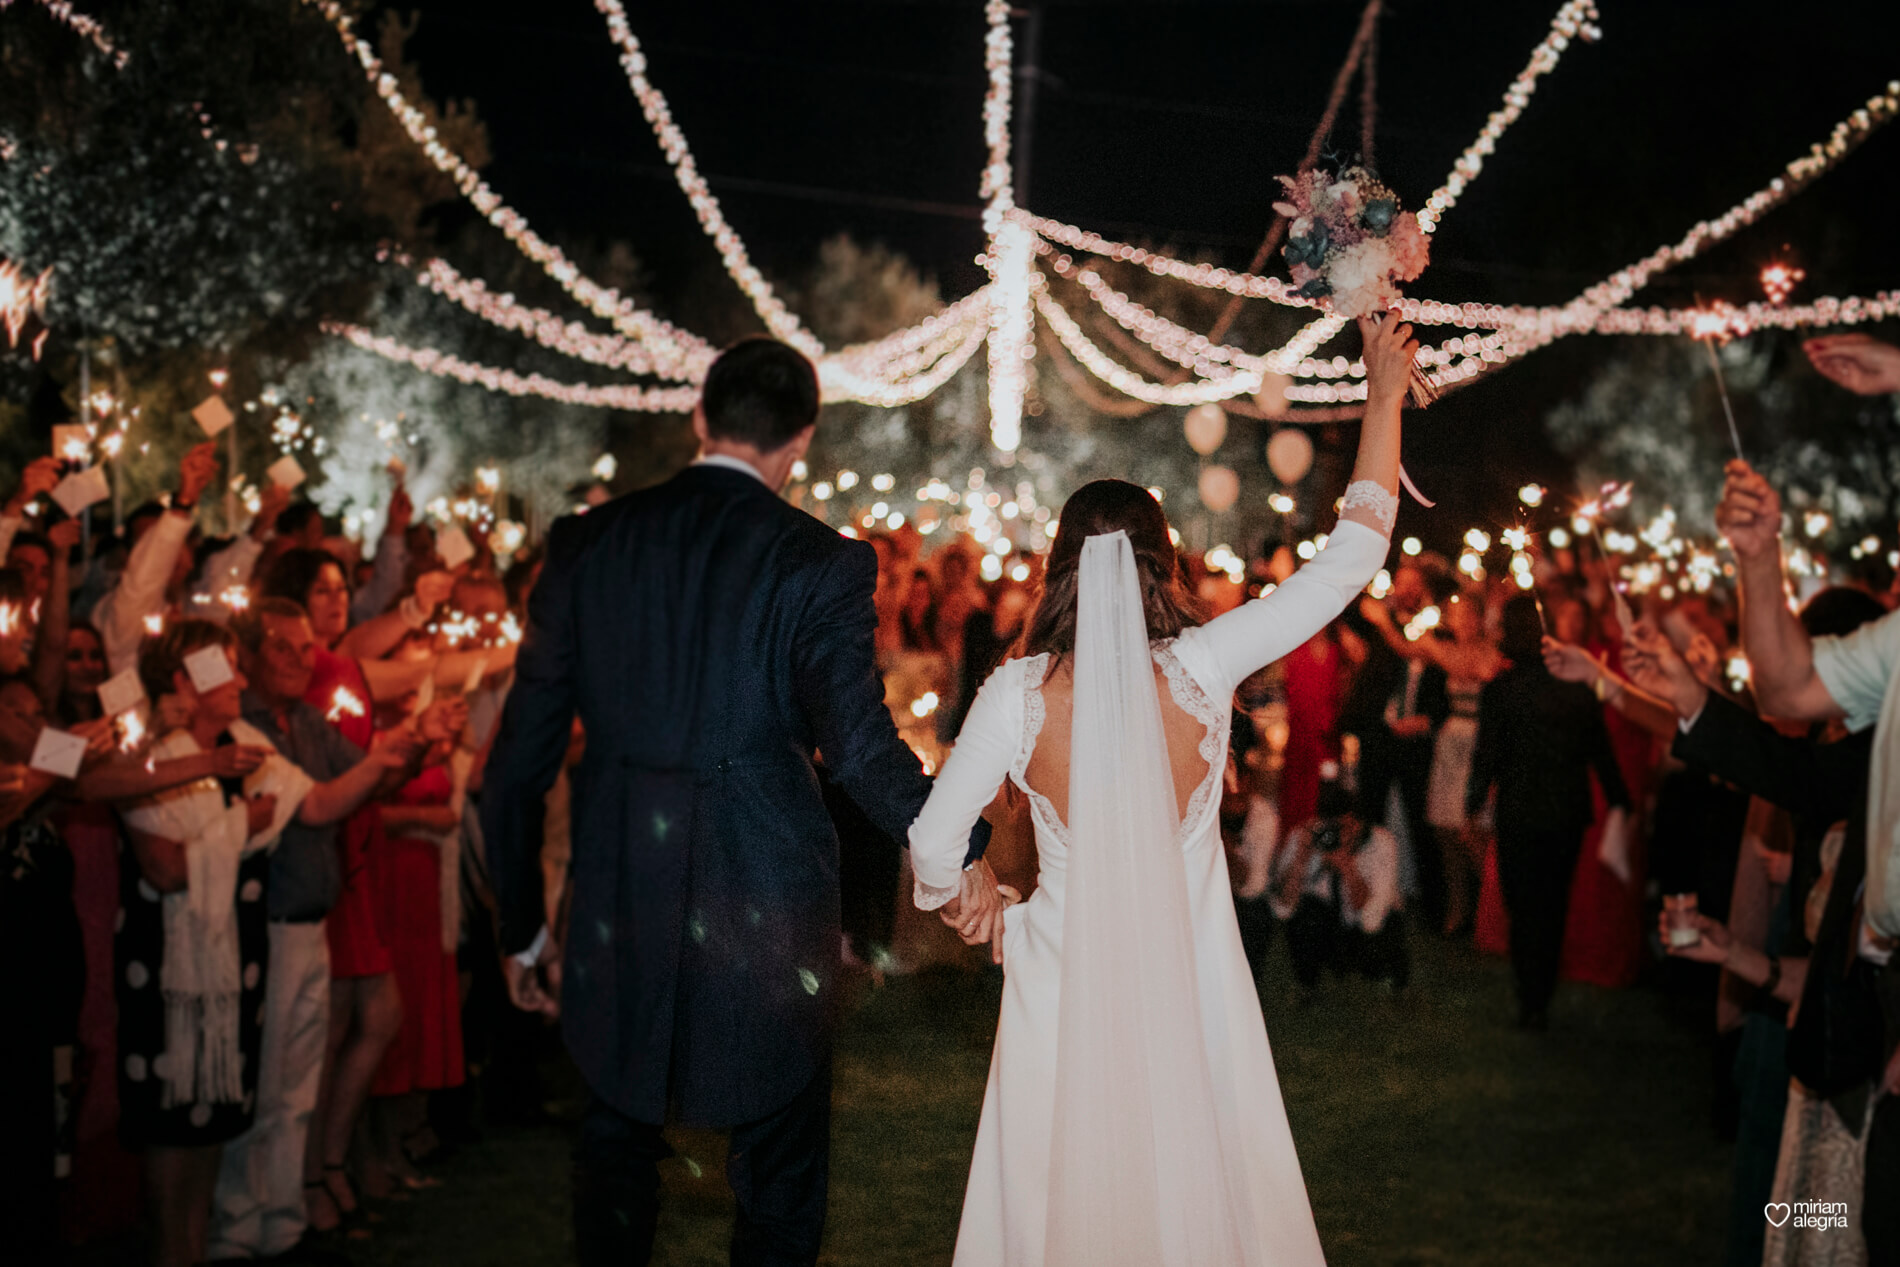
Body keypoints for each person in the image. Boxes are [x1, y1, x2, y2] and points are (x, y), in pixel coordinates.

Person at [905, 309, 1409, 1266]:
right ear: (1161, 561)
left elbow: (932, 845)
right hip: (1197, 993)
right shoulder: (1205, 667)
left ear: (1062, 566)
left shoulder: (1017, 694)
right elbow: (1352, 558)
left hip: (1055, 990)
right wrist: (1382, 396)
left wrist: (974, 900)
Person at [481, 335, 997, 1267]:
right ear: (801, 439)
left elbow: (516, 764)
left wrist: (521, 926)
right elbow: (860, 751)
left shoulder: (589, 542)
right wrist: (962, 847)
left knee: (613, 1177)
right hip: (770, 903)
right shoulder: (820, 561)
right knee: (779, 1184)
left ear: (698, 417)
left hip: (615, 899)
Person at [204, 599, 421, 1260]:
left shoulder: (303, 718)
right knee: (265, 1084)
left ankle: (283, 1221)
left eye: (306, 649)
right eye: (283, 648)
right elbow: (326, 800)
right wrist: (388, 755)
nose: (302, 661)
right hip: (261, 927)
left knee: (296, 1086)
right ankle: (238, 1229)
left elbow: (364, 779)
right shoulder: (239, 731)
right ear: (247, 658)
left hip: (310, 923)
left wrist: (409, 746)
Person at [1468, 595, 1631, 1031]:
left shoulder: (1501, 690)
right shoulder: (1575, 688)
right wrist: (1619, 799)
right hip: (1565, 812)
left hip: (1520, 810)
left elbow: (1486, 755)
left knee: (1523, 906)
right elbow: (1599, 747)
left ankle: (1530, 996)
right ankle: (1540, 996)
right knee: (1553, 904)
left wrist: (1471, 804)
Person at [1270, 766, 1408, 997]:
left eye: (1345, 826)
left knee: (1385, 925)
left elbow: (1371, 914)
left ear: (1360, 823)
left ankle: (1390, 978)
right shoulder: (1305, 835)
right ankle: (1308, 984)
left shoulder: (1381, 843)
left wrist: (1348, 867)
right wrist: (1300, 861)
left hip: (1368, 926)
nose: (1337, 833)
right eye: (1330, 825)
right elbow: (1283, 907)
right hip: (1327, 924)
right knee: (1306, 917)